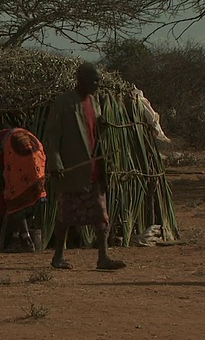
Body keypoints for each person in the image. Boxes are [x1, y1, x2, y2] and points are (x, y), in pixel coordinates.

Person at [45, 62, 126, 270]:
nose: (97, 85)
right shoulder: (64, 103)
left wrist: (103, 126)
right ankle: (58, 256)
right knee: (66, 216)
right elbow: (53, 136)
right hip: (73, 169)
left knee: (101, 215)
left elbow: (94, 129)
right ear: (81, 80)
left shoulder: (94, 101)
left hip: (94, 168)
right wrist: (55, 162)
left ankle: (103, 257)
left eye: (98, 81)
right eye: (94, 81)